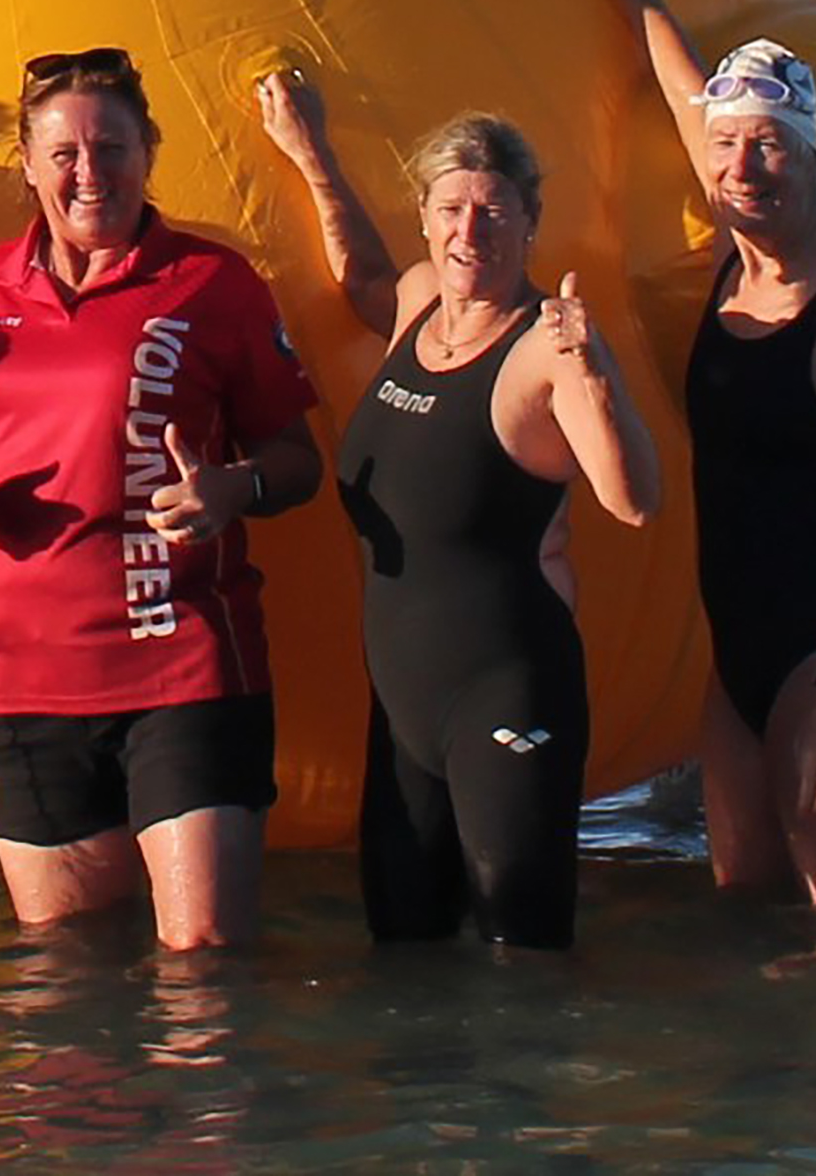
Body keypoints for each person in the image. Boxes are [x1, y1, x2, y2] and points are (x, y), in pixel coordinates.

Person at [0, 46, 323, 952]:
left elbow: (298, 463)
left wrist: (234, 487)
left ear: (149, 154)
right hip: (20, 676)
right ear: (26, 164)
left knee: (203, 971)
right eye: (63, 153)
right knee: (67, 987)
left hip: (179, 661)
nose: (89, 173)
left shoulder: (212, 284)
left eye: (113, 149)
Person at [570, 0, 816, 911]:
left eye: (769, 147)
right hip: (736, 661)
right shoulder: (736, 249)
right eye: (729, 150)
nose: (740, 168)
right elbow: (689, 96)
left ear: (811, 159)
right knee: (746, 921)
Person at [263, 76, 661, 949]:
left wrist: (595, 379)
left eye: (492, 211)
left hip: (510, 691)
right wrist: (312, 155)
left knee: (523, 959)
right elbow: (363, 274)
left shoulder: (545, 347)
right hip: (404, 711)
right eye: (450, 209)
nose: (468, 230)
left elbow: (633, 502)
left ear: (529, 220)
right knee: (402, 955)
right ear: (426, 216)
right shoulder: (416, 305)